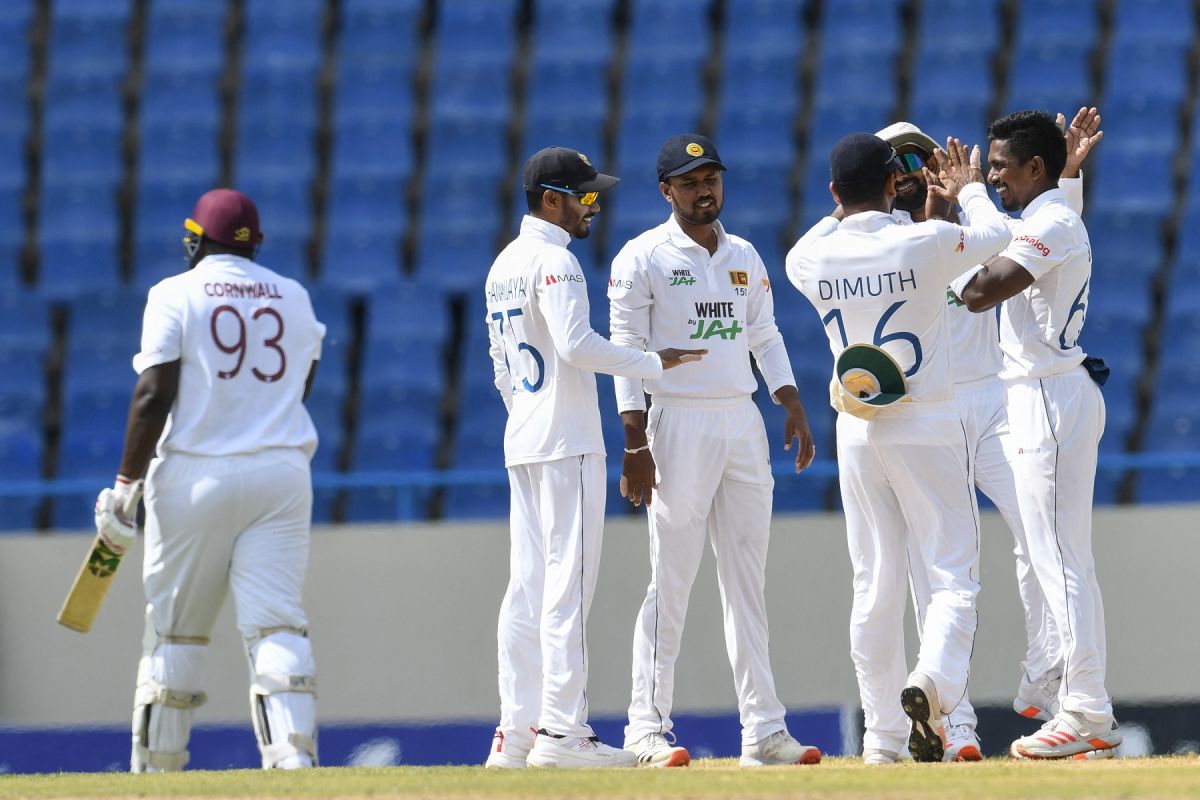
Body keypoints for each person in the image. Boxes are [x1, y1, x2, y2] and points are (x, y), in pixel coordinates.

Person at [862, 112, 1102, 761]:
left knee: (1039, 538)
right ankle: (953, 724)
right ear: (883, 182)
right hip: (928, 410)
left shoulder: (982, 218)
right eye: (899, 167)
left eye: (922, 160)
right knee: (936, 569)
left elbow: (1046, 242)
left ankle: (1055, 684)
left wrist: (1062, 181)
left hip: (998, 398)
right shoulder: (877, 247)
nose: (914, 175)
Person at [786, 134, 1012, 763]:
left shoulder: (812, 258)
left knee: (874, 582)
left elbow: (808, 241)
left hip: (855, 426)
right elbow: (997, 235)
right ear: (894, 183)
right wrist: (969, 186)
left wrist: (848, 205)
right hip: (927, 421)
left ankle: (883, 738)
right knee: (953, 576)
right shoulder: (926, 241)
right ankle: (932, 684)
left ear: (833, 193)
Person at [483, 147, 705, 770]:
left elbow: (502, 367)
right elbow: (576, 346)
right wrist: (652, 362)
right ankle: (564, 735)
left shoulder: (504, 263)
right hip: (568, 441)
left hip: (525, 439)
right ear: (551, 200)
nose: (592, 206)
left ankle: (516, 733)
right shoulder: (557, 261)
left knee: (527, 590)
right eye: (583, 196)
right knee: (568, 589)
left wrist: (530, 414)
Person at [608, 134, 820, 769]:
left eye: (712, 179)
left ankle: (763, 729)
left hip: (739, 419)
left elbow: (762, 331)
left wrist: (790, 401)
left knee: (746, 582)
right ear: (666, 190)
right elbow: (625, 349)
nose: (705, 190)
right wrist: (635, 440)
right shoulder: (641, 256)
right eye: (691, 181)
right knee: (670, 582)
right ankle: (645, 728)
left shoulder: (745, 254)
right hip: (675, 424)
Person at [94, 189, 325, 771]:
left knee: (175, 635)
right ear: (257, 243)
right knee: (277, 623)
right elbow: (302, 381)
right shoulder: (293, 296)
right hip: (281, 474)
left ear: (196, 238)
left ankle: (157, 773)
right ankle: (293, 765)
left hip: (195, 476)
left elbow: (153, 394)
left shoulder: (174, 293)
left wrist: (126, 484)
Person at [953, 110, 1121, 760]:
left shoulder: (1048, 222)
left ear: (1035, 169)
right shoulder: (1053, 215)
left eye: (1000, 167)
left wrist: (966, 200)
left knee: (1061, 560)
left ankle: (1085, 711)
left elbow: (984, 290)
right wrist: (1067, 182)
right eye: (988, 168)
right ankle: (1065, 692)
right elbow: (1047, 235)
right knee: (1051, 556)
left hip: (1048, 400)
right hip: (1042, 396)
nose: (991, 176)